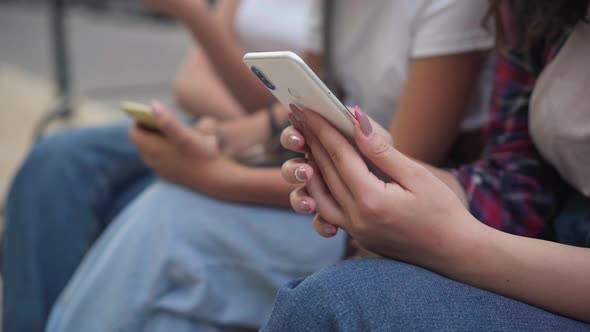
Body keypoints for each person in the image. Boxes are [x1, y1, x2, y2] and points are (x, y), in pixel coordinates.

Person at [42, 0, 496, 331]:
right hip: (330, 187)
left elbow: (398, 180)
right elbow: (296, 106)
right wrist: (218, 139)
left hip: (375, 220)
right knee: (72, 168)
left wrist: (217, 176)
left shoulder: (449, 7)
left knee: (172, 218)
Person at [263, 0, 590, 330]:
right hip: (550, 244)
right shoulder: (536, 10)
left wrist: (456, 243)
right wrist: (385, 169)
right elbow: (519, 184)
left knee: (334, 300)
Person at [1, 0, 312, 331]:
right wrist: (233, 135)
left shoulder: (344, 20)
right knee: (55, 162)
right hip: (238, 126)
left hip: (278, 143)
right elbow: (191, 84)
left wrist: (191, 13)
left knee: (159, 209)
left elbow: (302, 105)